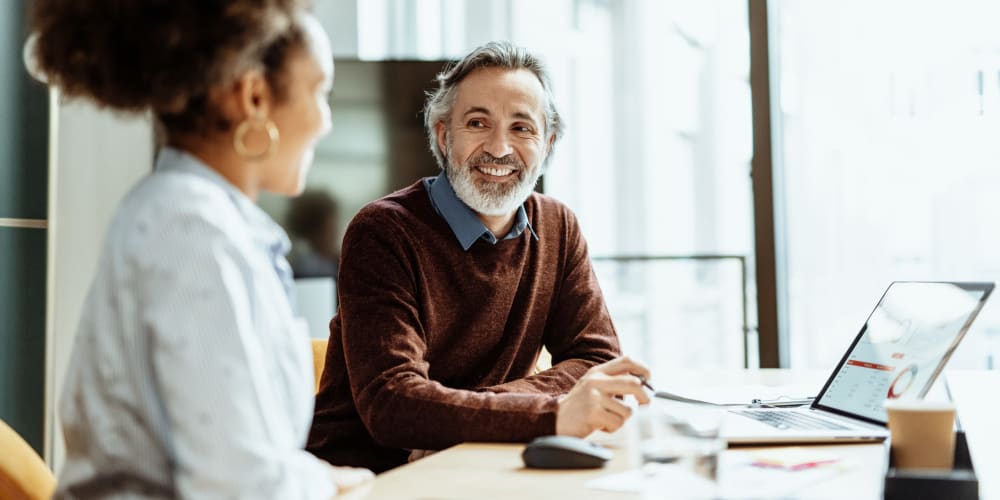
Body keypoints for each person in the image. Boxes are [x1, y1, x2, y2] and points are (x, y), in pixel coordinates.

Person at [30, 1, 372, 497]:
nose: (326, 122)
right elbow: (238, 485)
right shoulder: (192, 231)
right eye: (320, 91)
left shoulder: (193, 215)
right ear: (252, 97)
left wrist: (320, 477)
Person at [308, 41, 651, 473]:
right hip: (370, 476)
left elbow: (597, 361)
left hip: (492, 459)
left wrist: (459, 425)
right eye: (477, 122)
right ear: (442, 135)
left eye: (522, 128)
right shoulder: (383, 231)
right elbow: (391, 402)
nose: (500, 147)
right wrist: (549, 414)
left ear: (547, 144)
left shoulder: (558, 225)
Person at [286, 190, 342, 279]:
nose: (336, 234)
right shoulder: (304, 266)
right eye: (331, 230)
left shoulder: (337, 259)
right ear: (315, 233)